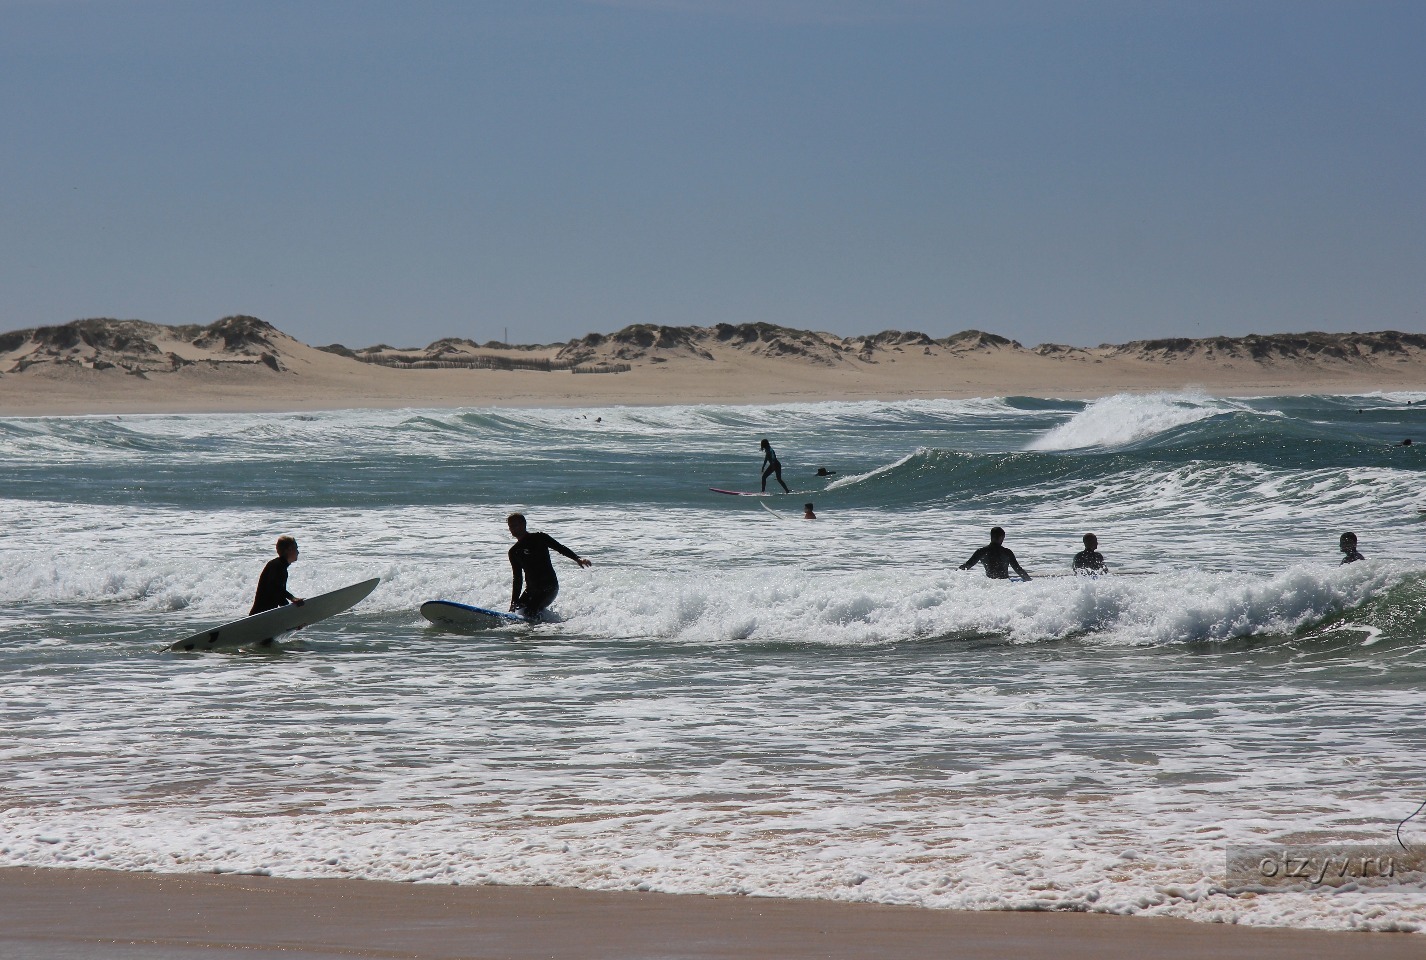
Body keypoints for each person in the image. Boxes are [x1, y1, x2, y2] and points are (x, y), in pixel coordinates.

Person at [507, 513, 592, 618]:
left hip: (549, 588)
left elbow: (560, 548)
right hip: (531, 590)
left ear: (524, 524)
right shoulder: (514, 551)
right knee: (516, 610)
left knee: (530, 612)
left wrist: (577, 558)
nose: (513, 529)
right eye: (510, 526)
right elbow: (517, 578)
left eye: (515, 525)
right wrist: (514, 601)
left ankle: (543, 627)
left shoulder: (539, 538)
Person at [250, 535, 304, 615]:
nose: (298, 552)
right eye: (296, 548)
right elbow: (275, 586)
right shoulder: (276, 565)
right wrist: (292, 598)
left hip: (267, 615)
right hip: (259, 616)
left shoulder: (280, 566)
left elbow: (279, 596)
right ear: (289, 549)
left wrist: (292, 618)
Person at [960, 526, 1031, 580]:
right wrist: (1030, 581)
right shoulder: (1007, 552)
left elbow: (967, 566)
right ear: (1001, 537)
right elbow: (1018, 569)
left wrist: (952, 577)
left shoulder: (981, 551)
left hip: (991, 584)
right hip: (1004, 584)